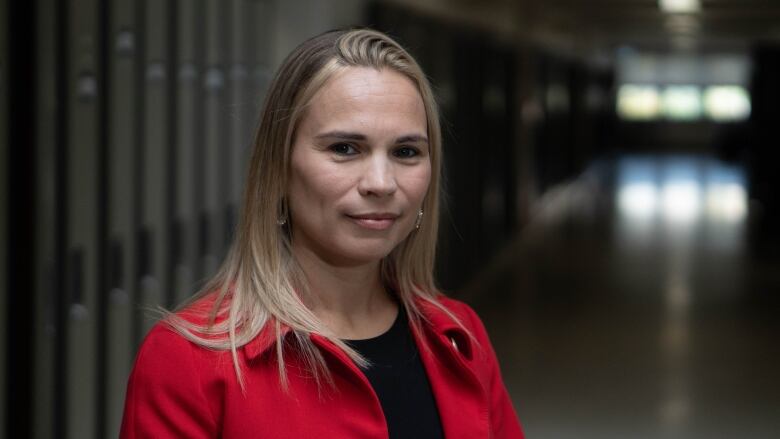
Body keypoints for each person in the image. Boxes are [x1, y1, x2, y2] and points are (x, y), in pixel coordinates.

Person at [120, 28, 524, 439]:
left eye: (406, 152)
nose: (382, 183)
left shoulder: (459, 336)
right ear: (278, 168)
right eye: (345, 148)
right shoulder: (188, 361)